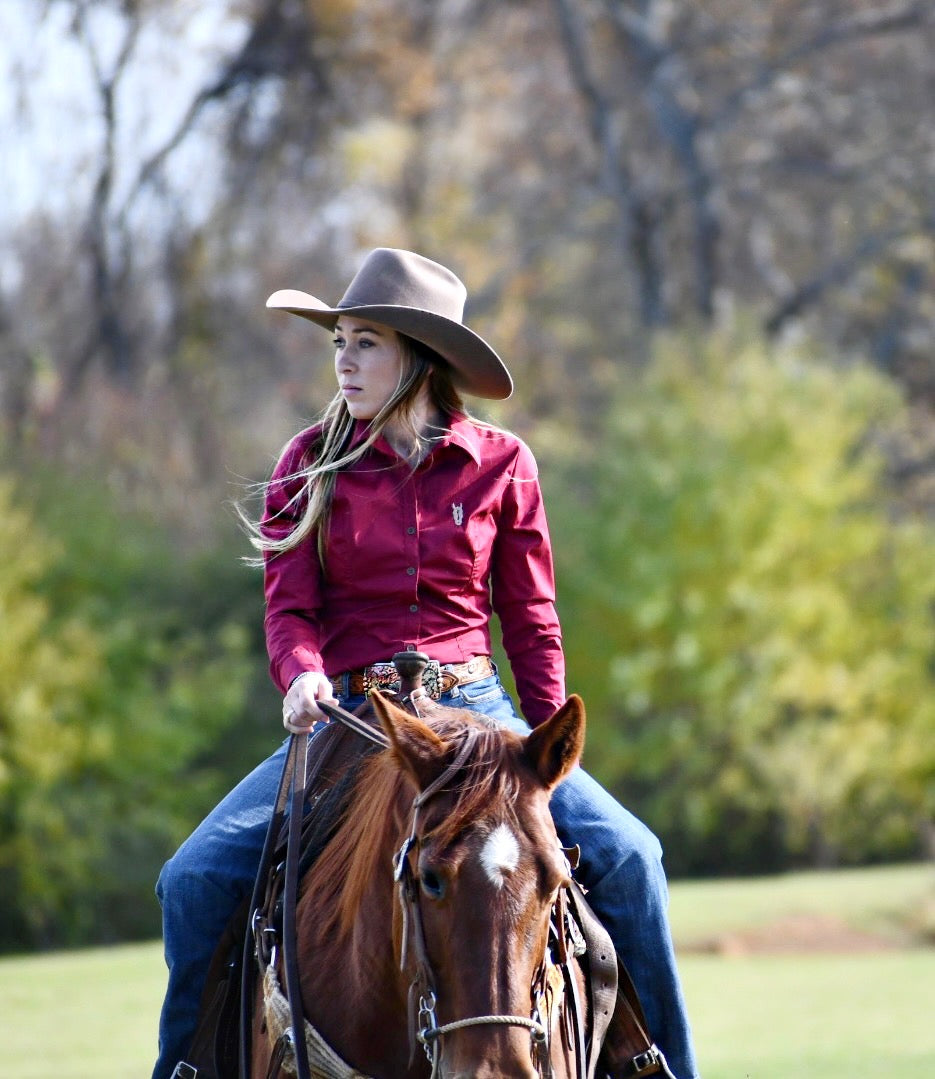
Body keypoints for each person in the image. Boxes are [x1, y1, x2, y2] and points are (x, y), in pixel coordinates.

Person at [152, 247, 699, 1079]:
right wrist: (299, 672)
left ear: (418, 357)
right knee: (190, 881)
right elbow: (289, 607)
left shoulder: (503, 465)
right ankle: (184, 1070)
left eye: (365, 341)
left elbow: (531, 618)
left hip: (480, 711)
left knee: (633, 858)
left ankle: (667, 1068)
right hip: (349, 717)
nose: (344, 359)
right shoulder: (306, 463)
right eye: (339, 339)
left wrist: (545, 750)